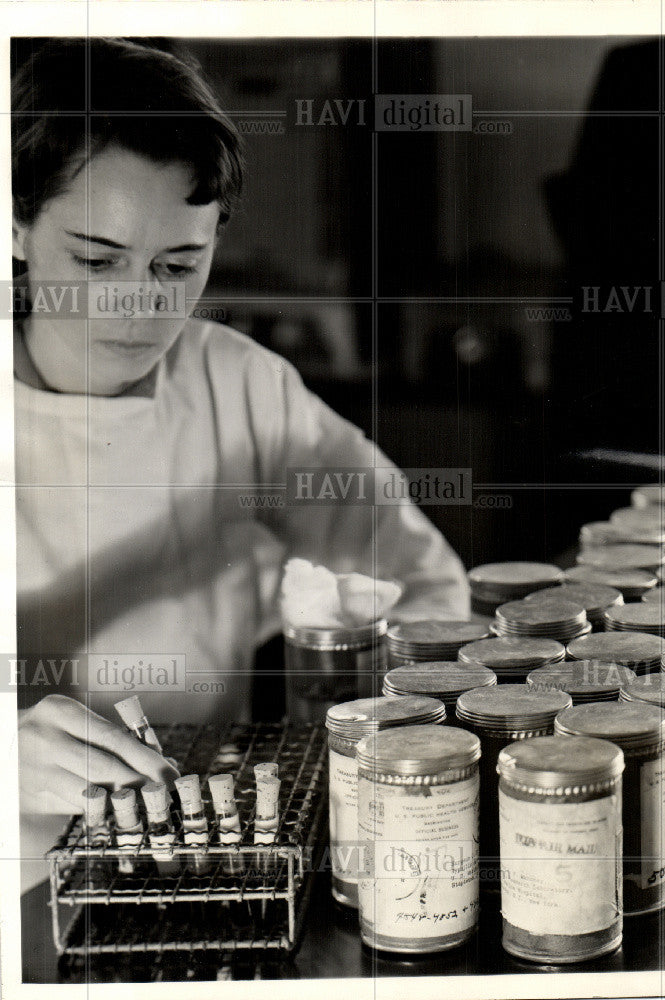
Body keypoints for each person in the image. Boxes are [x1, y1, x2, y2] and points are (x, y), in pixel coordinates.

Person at [13, 38, 469, 887]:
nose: (142, 306)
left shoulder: (238, 385)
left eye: (178, 265)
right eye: (96, 259)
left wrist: (362, 726)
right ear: (13, 221)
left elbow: (423, 592)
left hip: (193, 869)